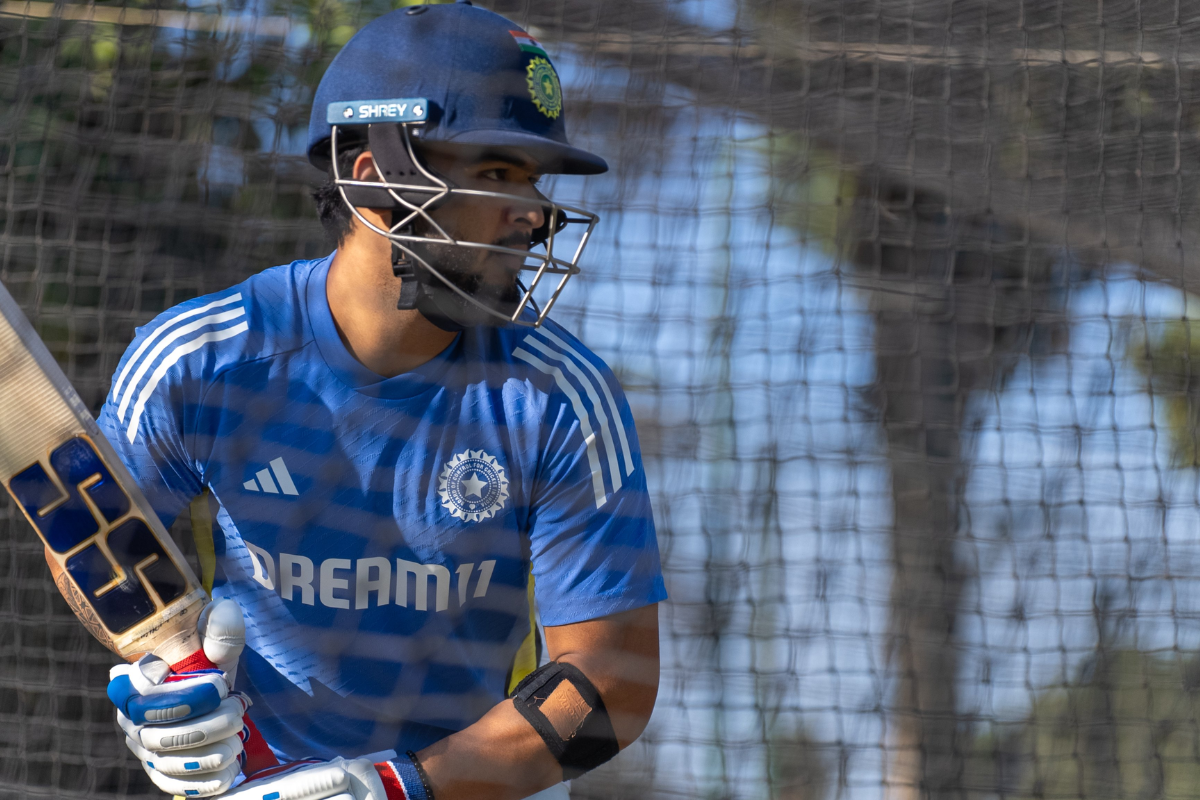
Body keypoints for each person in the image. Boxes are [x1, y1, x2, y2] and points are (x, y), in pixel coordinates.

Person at [93, 3, 666, 799]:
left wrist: (392, 790)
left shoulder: (560, 396)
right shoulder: (202, 359)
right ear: (376, 180)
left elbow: (612, 682)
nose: (533, 214)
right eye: (498, 173)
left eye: (533, 182)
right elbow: (91, 538)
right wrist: (162, 676)